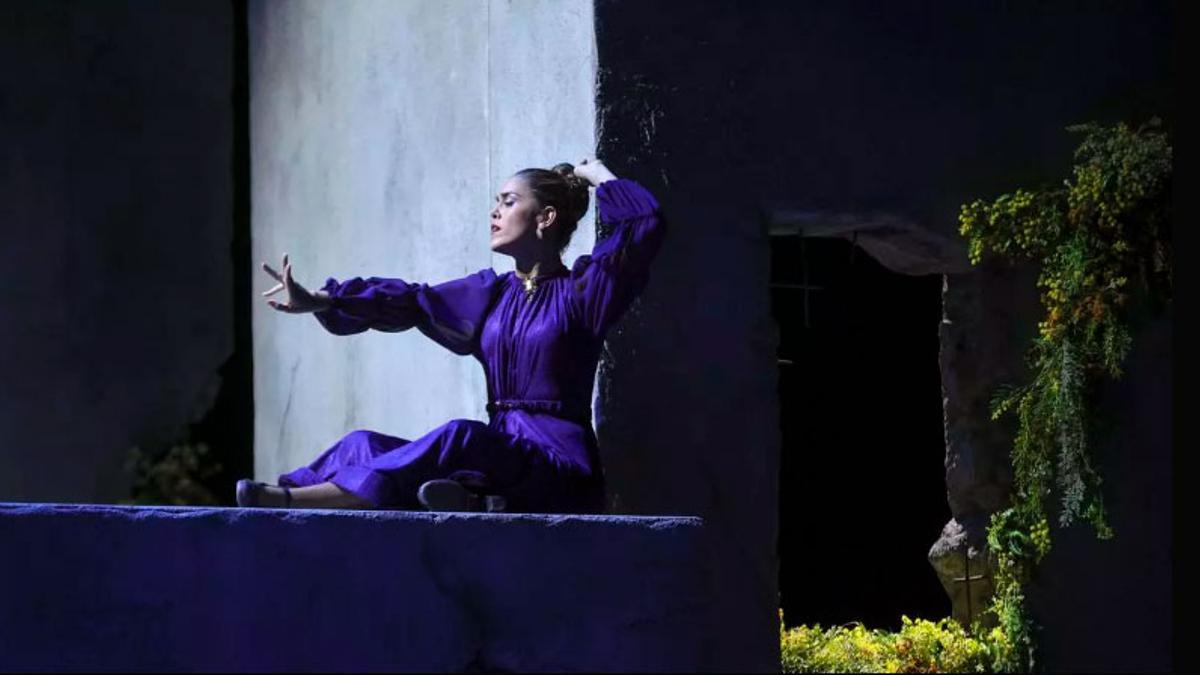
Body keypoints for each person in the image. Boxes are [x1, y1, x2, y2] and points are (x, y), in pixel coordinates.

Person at [236, 157, 666, 513]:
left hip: (559, 470)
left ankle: (303, 500)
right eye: (495, 202)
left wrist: (600, 177)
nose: (494, 212)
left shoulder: (583, 294)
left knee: (462, 436)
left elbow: (642, 224)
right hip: (500, 456)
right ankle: (468, 495)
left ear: (546, 217)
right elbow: (412, 302)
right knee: (361, 444)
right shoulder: (492, 296)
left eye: (509, 201)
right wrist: (325, 300)